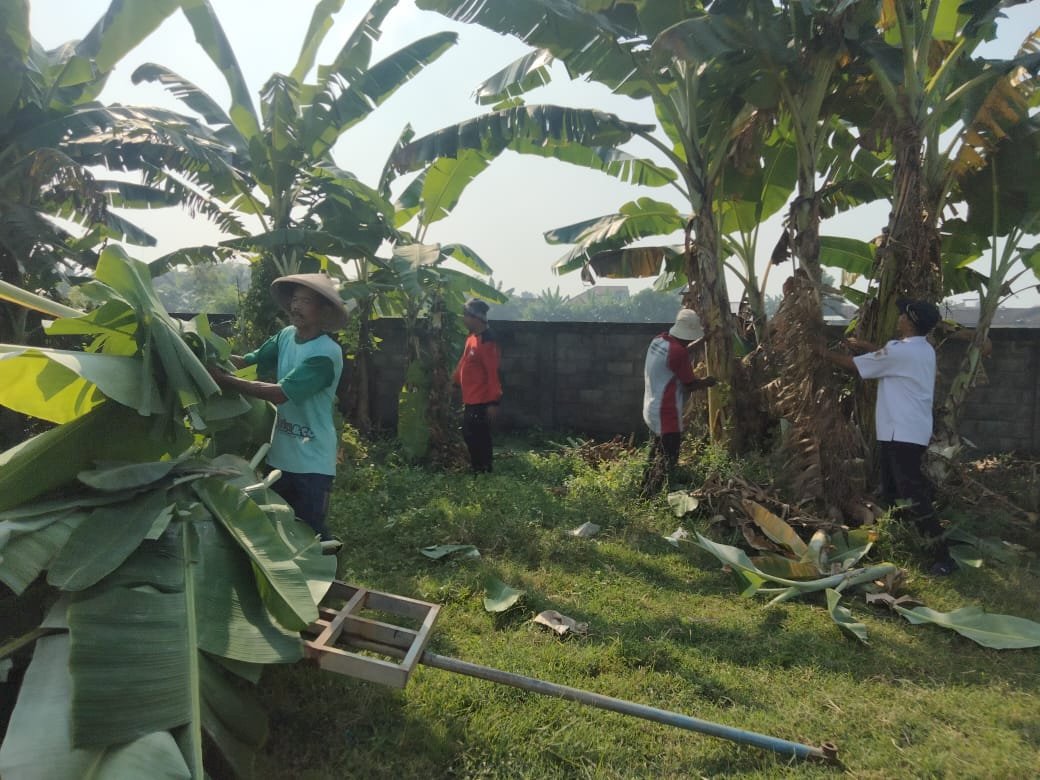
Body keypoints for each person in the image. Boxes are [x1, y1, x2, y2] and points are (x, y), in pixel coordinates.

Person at [209, 273, 349, 547]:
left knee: (311, 532)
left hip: (312, 460)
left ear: (323, 310)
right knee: (276, 528)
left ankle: (331, 577)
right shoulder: (285, 336)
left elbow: (280, 393)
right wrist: (208, 356)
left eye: (306, 301)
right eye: (294, 299)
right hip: (281, 454)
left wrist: (223, 380)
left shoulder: (326, 353)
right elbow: (250, 362)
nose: (296, 307)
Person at [818, 297, 956, 575]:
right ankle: (902, 542)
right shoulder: (922, 349)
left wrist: (818, 352)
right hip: (905, 429)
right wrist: (865, 347)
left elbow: (855, 366)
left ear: (911, 321)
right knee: (893, 490)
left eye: (903, 314)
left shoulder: (901, 353)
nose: (899, 318)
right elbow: (888, 354)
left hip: (902, 431)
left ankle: (943, 556)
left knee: (911, 492)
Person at [641, 308, 717, 493]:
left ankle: (644, 488)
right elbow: (690, 384)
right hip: (666, 412)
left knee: (656, 450)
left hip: (651, 407)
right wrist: (709, 381)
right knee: (669, 456)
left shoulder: (659, 340)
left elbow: (680, 351)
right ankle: (661, 491)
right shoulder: (678, 354)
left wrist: (703, 341)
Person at [453, 298, 502, 473]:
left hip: (482, 400)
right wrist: (455, 382)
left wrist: (493, 402)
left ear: (475, 317)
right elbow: (464, 362)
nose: (463, 319)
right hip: (470, 398)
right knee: (469, 434)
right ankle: (477, 468)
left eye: (466, 315)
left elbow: (493, 373)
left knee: (479, 436)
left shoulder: (488, 341)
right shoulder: (472, 338)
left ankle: (484, 469)